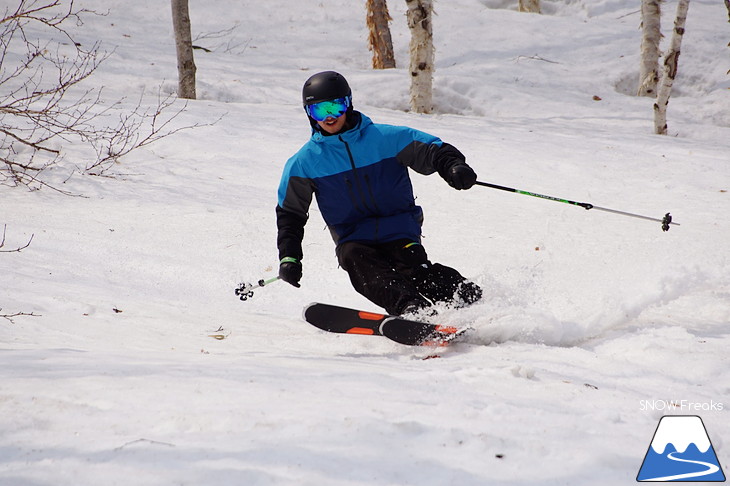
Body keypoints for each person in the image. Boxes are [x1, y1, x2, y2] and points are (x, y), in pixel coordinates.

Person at [276, 71, 482, 316]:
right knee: (363, 268)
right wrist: (289, 258)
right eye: (319, 111)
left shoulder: (386, 138)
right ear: (309, 114)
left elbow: (434, 150)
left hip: (399, 227)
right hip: (353, 237)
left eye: (336, 107)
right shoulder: (304, 163)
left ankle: (470, 297)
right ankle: (412, 310)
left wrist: (454, 167)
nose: (329, 117)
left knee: (414, 269)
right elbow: (290, 214)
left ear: (348, 104)